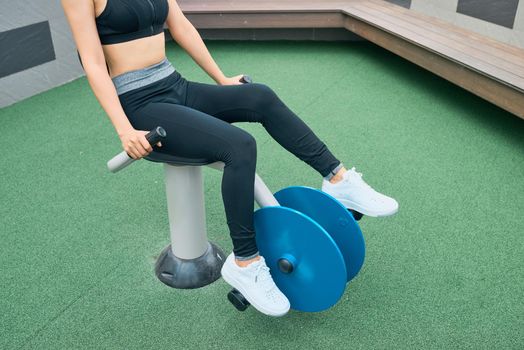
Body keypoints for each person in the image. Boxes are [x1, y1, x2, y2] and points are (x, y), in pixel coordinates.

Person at [61, 0, 398, 317]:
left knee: (260, 96)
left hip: (175, 86)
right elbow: (91, 61)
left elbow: (181, 27)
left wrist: (221, 80)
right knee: (239, 146)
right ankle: (246, 262)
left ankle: (337, 179)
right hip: (141, 105)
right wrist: (124, 130)